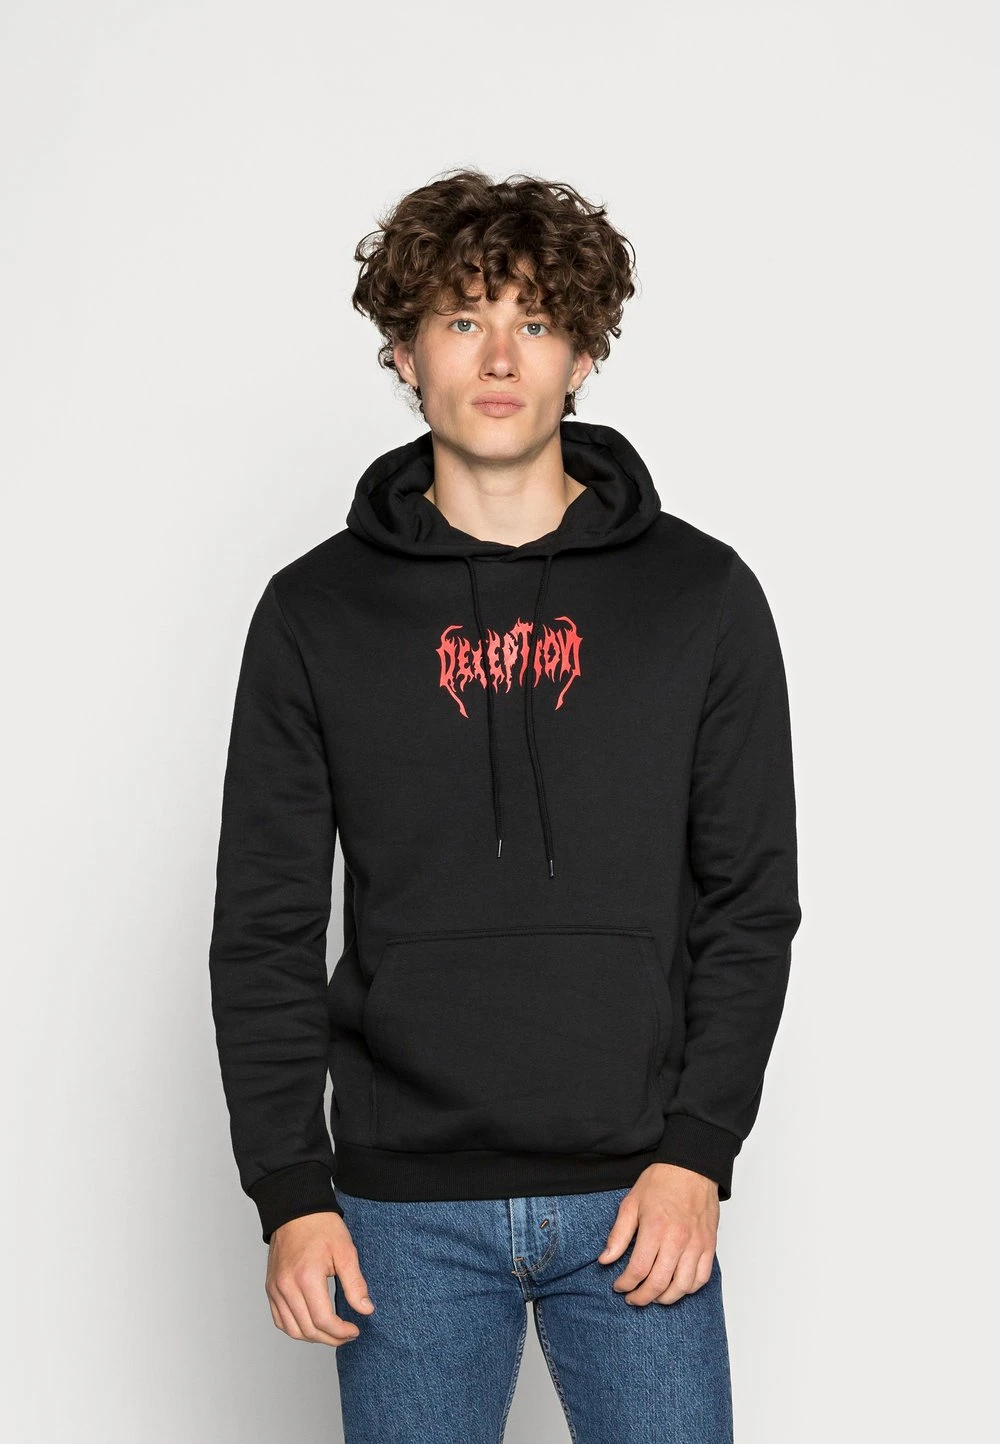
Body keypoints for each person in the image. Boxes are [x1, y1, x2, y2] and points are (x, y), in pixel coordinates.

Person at [208, 168, 801, 1443]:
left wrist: (698, 1150)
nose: (496, 356)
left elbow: (750, 900)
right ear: (404, 351)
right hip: (399, 1212)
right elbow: (262, 924)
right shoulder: (315, 613)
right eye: (460, 318)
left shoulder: (699, 597)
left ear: (581, 354)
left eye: (533, 321)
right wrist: (290, 1191)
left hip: (639, 1194)